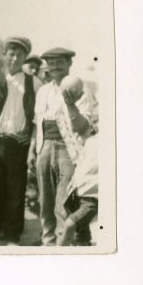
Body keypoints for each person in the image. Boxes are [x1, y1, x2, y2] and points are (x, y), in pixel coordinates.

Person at [0, 37, 42, 246]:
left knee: (15, 192)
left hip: (18, 144)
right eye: (11, 54)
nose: (14, 58)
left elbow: (37, 118)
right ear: (5, 55)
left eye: (19, 55)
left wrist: (30, 142)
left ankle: (12, 234)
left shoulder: (34, 82)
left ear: (25, 57)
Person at [28, 47, 93, 246]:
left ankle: (62, 245)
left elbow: (82, 128)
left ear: (69, 64)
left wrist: (71, 104)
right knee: (45, 201)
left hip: (68, 149)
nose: (55, 66)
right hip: (44, 146)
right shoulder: (43, 91)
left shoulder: (80, 89)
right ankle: (48, 242)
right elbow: (37, 122)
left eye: (60, 62)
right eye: (51, 62)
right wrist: (32, 149)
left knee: (63, 203)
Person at [58, 133, 98, 245]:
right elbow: (81, 163)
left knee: (70, 224)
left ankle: (57, 255)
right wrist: (74, 180)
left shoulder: (111, 144)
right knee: (79, 235)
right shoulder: (91, 141)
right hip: (79, 193)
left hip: (93, 198)